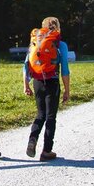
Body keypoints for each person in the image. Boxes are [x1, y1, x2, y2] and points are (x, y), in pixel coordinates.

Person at [23, 16, 71, 161]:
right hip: (52, 81)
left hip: (37, 82)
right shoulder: (60, 44)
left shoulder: (34, 42)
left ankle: (32, 140)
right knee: (50, 117)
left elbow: (26, 65)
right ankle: (46, 151)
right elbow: (65, 70)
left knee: (40, 114)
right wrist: (67, 90)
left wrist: (26, 85)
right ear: (57, 28)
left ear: (43, 27)